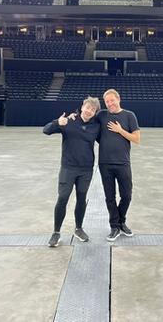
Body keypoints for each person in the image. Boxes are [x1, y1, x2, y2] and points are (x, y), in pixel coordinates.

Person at [43, 97, 101, 247]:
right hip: (68, 168)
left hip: (86, 170)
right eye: (88, 107)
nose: (89, 111)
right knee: (62, 198)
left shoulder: (96, 127)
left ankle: (78, 229)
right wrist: (57, 122)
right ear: (82, 107)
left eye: (93, 109)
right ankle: (56, 232)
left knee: (81, 199)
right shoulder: (69, 121)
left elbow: (106, 141)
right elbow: (46, 130)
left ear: (95, 112)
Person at [97, 89, 141, 242]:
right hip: (105, 163)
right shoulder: (101, 115)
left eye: (112, 100)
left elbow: (136, 139)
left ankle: (122, 221)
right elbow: (87, 118)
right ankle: (115, 226)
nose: (110, 104)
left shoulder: (129, 116)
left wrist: (120, 130)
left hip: (123, 162)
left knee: (126, 195)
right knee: (110, 197)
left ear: (118, 99)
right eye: (107, 101)